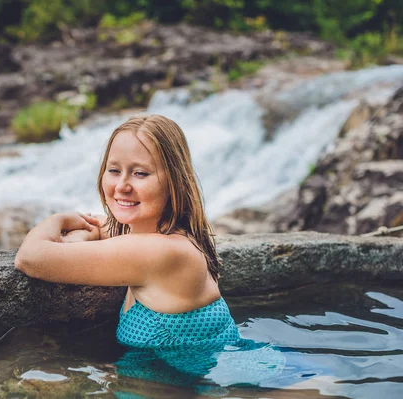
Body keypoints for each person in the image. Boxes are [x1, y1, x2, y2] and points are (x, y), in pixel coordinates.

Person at [15, 114, 239, 349]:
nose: (122, 186)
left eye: (140, 173)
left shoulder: (162, 252)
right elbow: (102, 226)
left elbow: (29, 258)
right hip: (178, 381)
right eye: (113, 170)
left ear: (176, 182)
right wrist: (84, 234)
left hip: (206, 384)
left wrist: (57, 218)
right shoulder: (165, 235)